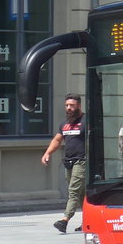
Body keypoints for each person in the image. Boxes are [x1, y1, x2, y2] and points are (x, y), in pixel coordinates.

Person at [42, 93, 86, 233]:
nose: (69, 108)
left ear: (79, 105)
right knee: (81, 194)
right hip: (69, 162)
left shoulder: (86, 120)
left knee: (73, 191)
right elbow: (57, 140)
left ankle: (65, 220)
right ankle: (88, 222)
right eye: (67, 105)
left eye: (72, 105)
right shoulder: (65, 124)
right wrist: (47, 153)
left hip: (82, 161)